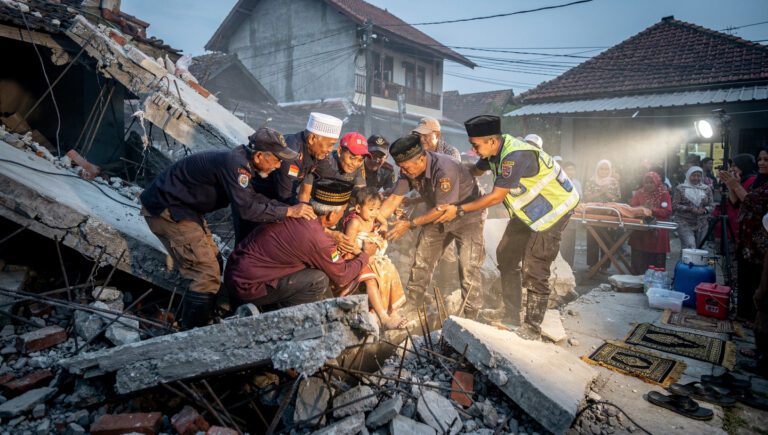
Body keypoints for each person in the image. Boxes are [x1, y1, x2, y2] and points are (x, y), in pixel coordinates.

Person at [140, 127, 315, 329]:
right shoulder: (237, 166)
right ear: (259, 155)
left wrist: (288, 209)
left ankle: (193, 318)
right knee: (205, 273)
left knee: (214, 261)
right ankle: (191, 334)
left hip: (186, 211)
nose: (279, 165)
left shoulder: (243, 163)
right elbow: (247, 210)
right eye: (276, 159)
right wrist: (289, 212)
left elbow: (253, 198)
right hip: (168, 210)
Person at [436, 115, 579, 340]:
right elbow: (475, 170)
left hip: (555, 209)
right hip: (531, 212)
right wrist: (447, 171)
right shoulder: (494, 152)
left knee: (536, 265)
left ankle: (531, 327)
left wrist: (459, 209)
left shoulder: (515, 155)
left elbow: (495, 197)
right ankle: (511, 313)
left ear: (492, 141)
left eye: (476, 145)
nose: (474, 150)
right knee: (507, 255)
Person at [377, 134, 486, 318]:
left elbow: (441, 209)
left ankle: (471, 314)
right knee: (422, 258)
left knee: (468, 266)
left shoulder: (444, 169)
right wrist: (377, 220)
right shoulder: (407, 169)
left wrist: (410, 224)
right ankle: (413, 304)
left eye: (406, 167)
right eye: (400, 167)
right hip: (438, 213)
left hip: (467, 215)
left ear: (421, 159)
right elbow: (395, 198)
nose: (403, 171)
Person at [224, 179, 376, 310]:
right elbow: (342, 276)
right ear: (331, 214)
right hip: (246, 288)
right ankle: (282, 315)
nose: (343, 214)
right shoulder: (319, 240)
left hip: (235, 271)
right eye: (342, 211)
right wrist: (365, 255)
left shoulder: (300, 210)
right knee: (318, 279)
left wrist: (329, 234)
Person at [241, 112, 342, 243]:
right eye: (329, 144)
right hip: (256, 202)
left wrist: (361, 193)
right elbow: (285, 196)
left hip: (276, 205)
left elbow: (332, 176)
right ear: (312, 139)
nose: (330, 149)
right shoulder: (292, 152)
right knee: (247, 245)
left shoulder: (317, 152)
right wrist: (318, 225)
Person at [341, 188, 409, 330]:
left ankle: (392, 310)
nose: (375, 214)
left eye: (377, 209)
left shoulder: (373, 216)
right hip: (355, 256)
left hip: (370, 255)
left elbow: (383, 220)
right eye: (371, 209)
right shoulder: (354, 223)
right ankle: (383, 316)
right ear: (358, 208)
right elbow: (348, 246)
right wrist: (364, 255)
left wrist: (383, 226)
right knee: (374, 277)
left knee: (389, 269)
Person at [719, 149, 768, 321]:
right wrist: (732, 185)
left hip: (761, 240)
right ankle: (743, 314)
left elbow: (752, 203)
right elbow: (735, 203)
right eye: (760, 159)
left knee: (757, 280)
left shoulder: (757, 181)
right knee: (744, 276)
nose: (761, 163)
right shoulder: (757, 181)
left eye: (766, 160)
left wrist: (736, 185)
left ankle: (754, 318)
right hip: (746, 236)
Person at [297, 131, 369, 202]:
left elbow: (360, 194)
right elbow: (304, 195)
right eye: (352, 158)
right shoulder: (322, 160)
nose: (355, 163)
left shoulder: (358, 165)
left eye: (360, 160)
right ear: (340, 151)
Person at [629, 172, 673, 274]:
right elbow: (631, 208)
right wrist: (643, 209)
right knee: (639, 254)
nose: (648, 185)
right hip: (641, 228)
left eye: (651, 182)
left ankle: (655, 278)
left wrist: (652, 210)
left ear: (657, 182)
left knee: (656, 262)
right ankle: (637, 275)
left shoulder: (664, 194)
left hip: (658, 229)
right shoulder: (639, 193)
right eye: (646, 182)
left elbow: (667, 211)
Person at [584, 159, 622, 271]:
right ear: (597, 169)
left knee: (607, 240)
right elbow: (587, 197)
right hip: (593, 215)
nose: (604, 171)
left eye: (606, 169)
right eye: (601, 168)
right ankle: (592, 265)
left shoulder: (614, 182)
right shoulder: (591, 181)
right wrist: (601, 192)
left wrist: (607, 193)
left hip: (609, 215)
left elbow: (618, 198)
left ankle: (605, 266)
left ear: (610, 170)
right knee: (592, 239)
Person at [715, 153, 758, 244]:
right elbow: (734, 203)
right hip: (735, 221)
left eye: (735, 166)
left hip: (746, 223)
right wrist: (730, 185)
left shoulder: (753, 180)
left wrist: (736, 185)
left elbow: (748, 202)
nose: (732, 169)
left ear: (743, 165)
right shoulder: (740, 179)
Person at [673, 166, 714, 249]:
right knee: (690, 245)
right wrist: (690, 209)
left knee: (700, 247)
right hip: (684, 222)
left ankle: (694, 262)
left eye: (698, 176)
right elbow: (675, 205)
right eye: (693, 175)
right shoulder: (681, 188)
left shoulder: (706, 189)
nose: (696, 178)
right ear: (688, 175)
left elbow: (711, 205)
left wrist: (705, 210)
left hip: (702, 224)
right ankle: (685, 262)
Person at [559, 161, 582, 267]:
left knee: (571, 242)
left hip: (574, 215)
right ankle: (560, 265)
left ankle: (569, 266)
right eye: (568, 169)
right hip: (562, 215)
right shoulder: (559, 181)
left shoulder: (577, 183)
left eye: (572, 169)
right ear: (563, 170)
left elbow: (580, 198)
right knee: (563, 242)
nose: (570, 171)